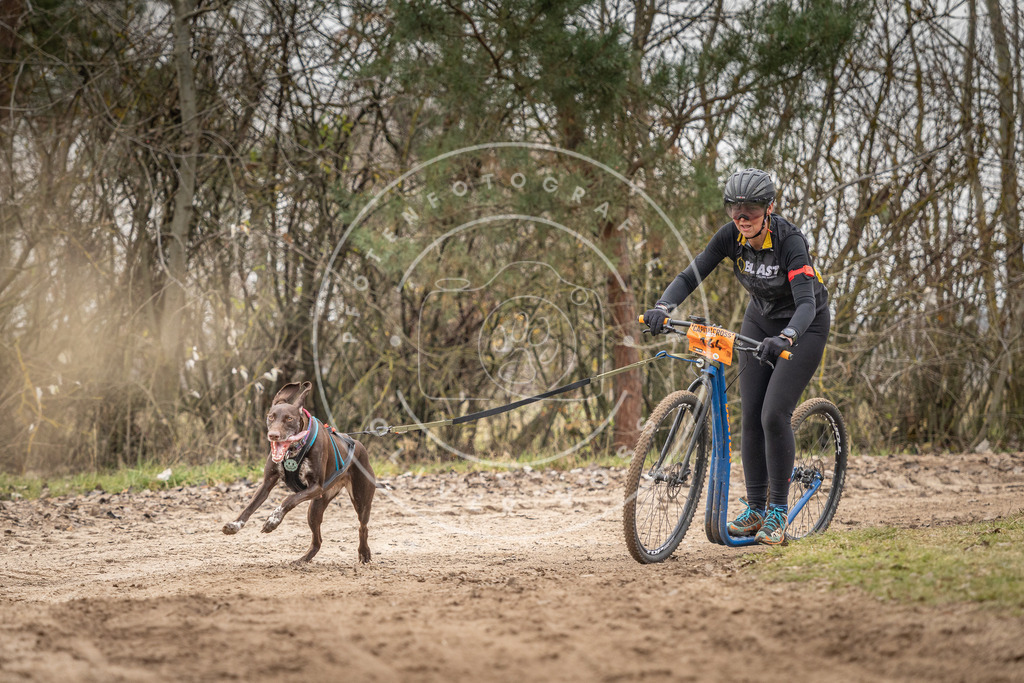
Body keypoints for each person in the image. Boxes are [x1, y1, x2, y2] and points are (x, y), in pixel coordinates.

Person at [642, 168, 830, 545]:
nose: (742, 218)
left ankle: (778, 512)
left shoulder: (790, 240)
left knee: (773, 413)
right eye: (735, 209)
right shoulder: (731, 236)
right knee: (749, 416)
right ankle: (756, 508)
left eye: (751, 210)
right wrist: (663, 305)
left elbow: (807, 302)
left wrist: (788, 336)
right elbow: (692, 274)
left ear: (769, 208)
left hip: (803, 325)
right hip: (759, 320)